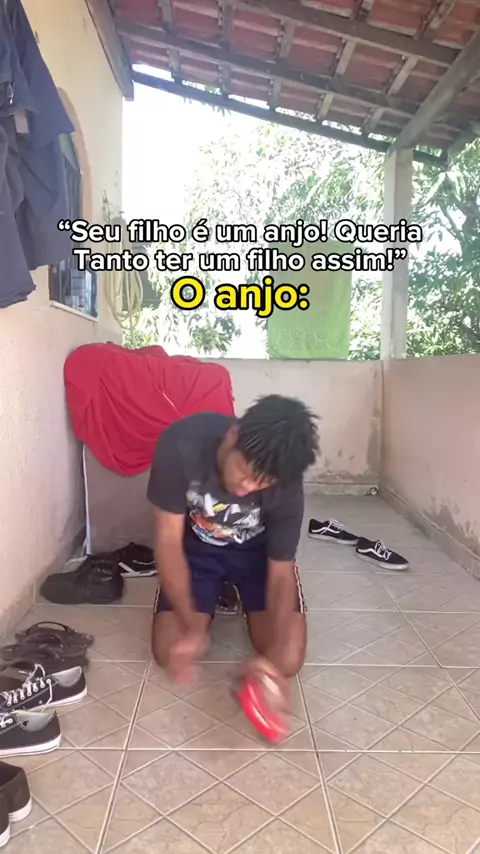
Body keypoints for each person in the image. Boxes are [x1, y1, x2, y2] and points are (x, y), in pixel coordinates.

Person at [147, 394, 319, 687]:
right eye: (244, 472)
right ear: (233, 435)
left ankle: (233, 593)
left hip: (257, 557)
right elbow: (168, 542)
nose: (246, 488)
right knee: (169, 650)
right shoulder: (180, 445)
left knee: (287, 659)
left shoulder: (287, 484)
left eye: (262, 483)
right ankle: (214, 593)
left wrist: (272, 659)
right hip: (196, 550)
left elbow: (280, 572)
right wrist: (192, 626)